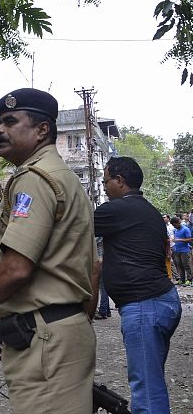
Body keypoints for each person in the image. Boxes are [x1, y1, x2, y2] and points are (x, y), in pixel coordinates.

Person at [0, 88, 98, 414]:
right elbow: (93, 266)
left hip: (44, 337)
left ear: (42, 130)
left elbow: (15, 268)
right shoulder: (61, 177)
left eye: (11, 121)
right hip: (56, 331)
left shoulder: (35, 178)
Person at [95, 156, 181, 414]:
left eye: (105, 180)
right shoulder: (150, 210)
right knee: (151, 380)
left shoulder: (117, 209)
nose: (104, 186)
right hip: (162, 302)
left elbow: (68, 227)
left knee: (146, 387)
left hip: (145, 306)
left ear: (119, 181)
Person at [170, 215, 193, 285]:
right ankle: (182, 279)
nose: (173, 226)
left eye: (174, 225)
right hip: (177, 250)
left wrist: (178, 240)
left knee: (187, 265)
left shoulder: (185, 229)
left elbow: (190, 239)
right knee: (179, 266)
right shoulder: (175, 230)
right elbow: (175, 238)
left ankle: (189, 279)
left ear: (178, 223)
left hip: (185, 251)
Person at [93, 236, 111, 319]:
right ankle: (107, 310)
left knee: (100, 287)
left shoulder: (97, 236)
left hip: (99, 261)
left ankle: (103, 311)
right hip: (106, 261)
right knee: (104, 287)